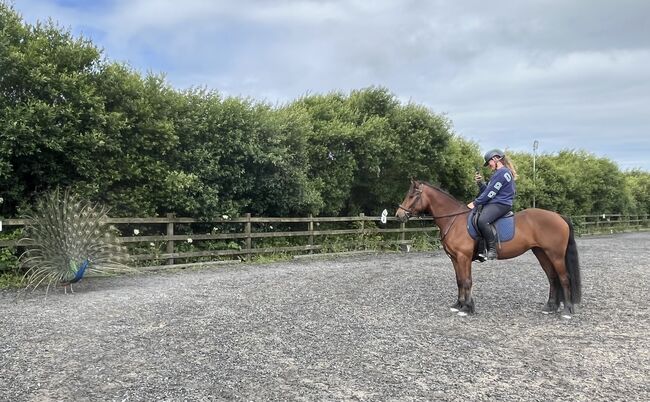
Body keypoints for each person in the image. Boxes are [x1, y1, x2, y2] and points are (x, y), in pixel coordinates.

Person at [467, 149, 517, 260]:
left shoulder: (502, 173)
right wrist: (480, 183)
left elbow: (490, 193)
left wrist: (475, 203)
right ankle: (480, 250)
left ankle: (492, 250)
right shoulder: (499, 173)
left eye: (489, 162)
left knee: (482, 220)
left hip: (501, 203)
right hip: (496, 202)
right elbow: (488, 191)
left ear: (495, 159)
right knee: (477, 217)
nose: (489, 166)